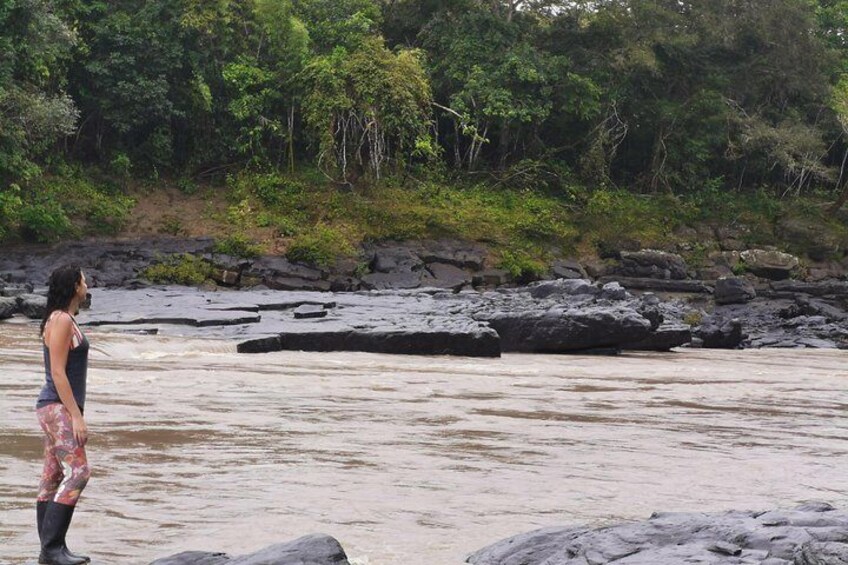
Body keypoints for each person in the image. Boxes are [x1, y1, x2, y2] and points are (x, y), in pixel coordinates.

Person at [35, 264, 91, 565]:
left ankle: (54, 549)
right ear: (73, 286)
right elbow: (57, 372)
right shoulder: (60, 319)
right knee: (80, 472)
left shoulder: (65, 318)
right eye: (83, 281)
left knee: (53, 475)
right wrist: (76, 416)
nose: (87, 285)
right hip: (57, 408)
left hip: (55, 408)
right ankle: (51, 550)